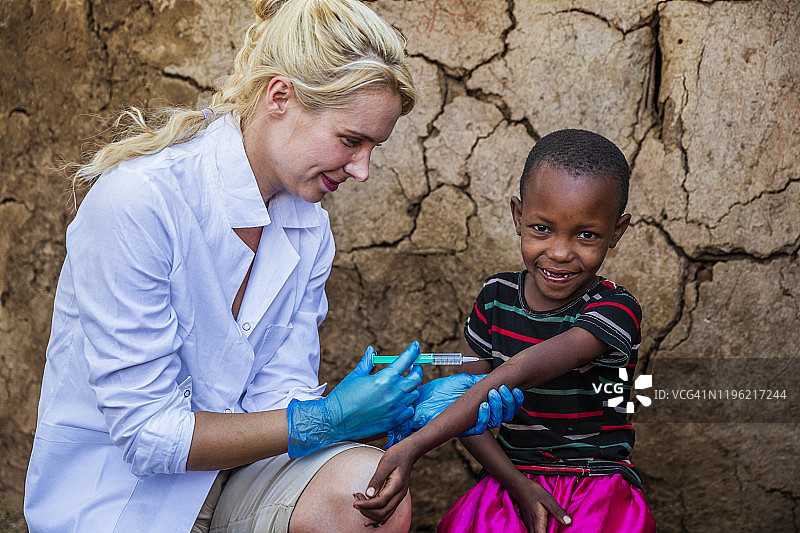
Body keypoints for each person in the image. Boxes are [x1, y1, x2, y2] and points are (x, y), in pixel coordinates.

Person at [22, 1, 523, 531]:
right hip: (119, 500)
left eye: (373, 146)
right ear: (279, 96)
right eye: (351, 140)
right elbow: (148, 435)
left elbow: (280, 400)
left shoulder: (308, 227)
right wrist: (327, 418)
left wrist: (405, 411)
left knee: (369, 497)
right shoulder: (139, 202)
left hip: (233, 479)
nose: (362, 169)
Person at [353, 129, 657, 532]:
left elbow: (516, 371)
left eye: (586, 235)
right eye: (541, 228)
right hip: (511, 477)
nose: (561, 252)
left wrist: (415, 445)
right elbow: (466, 402)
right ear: (518, 216)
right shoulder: (496, 298)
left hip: (595, 483)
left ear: (616, 232)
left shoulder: (615, 310)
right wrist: (515, 483)